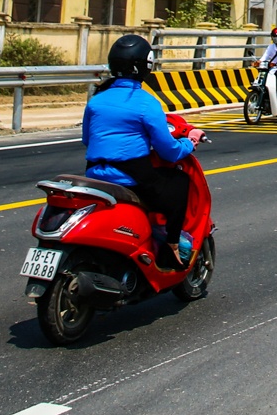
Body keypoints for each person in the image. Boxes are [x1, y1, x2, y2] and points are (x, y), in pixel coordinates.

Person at [83, 34, 205, 268]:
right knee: (179, 182)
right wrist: (190, 142)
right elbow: (169, 151)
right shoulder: (146, 102)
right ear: (145, 66)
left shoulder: (96, 100)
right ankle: (172, 247)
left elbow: (87, 140)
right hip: (131, 178)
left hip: (95, 175)